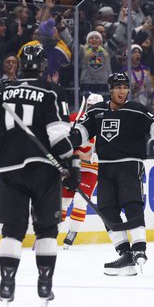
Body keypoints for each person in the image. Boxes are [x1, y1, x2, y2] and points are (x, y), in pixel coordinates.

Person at [0, 44, 80, 307]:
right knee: (46, 229)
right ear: (43, 67)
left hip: (9, 170)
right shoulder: (49, 92)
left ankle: (6, 283)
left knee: (12, 230)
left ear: (20, 65)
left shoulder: (3, 94)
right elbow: (58, 136)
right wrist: (71, 163)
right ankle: (45, 284)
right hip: (44, 170)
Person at [72, 73, 154, 276]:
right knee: (106, 210)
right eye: (118, 87)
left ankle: (139, 249)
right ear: (110, 89)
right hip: (105, 167)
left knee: (132, 205)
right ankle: (125, 254)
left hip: (129, 165)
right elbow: (82, 132)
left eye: (125, 87)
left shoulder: (136, 110)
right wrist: (73, 136)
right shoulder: (97, 111)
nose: (122, 91)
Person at [62, 93, 104, 249]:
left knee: (81, 200)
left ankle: (72, 233)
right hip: (70, 165)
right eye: (90, 106)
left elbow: (108, 150)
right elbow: (59, 137)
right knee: (63, 201)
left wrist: (90, 155)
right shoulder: (74, 118)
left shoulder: (105, 123)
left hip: (90, 168)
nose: (92, 110)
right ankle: (52, 233)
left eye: (95, 107)